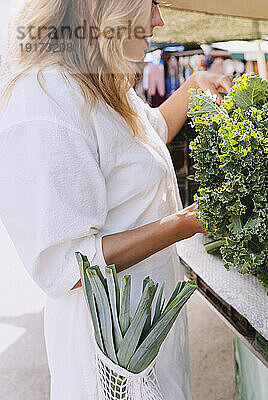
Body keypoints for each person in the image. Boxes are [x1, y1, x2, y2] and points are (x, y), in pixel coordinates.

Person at [0, 1, 232, 399]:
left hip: (148, 321)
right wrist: (186, 223)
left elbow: (149, 136)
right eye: (152, 4)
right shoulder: (46, 99)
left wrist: (194, 88)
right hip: (107, 343)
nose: (159, 20)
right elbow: (66, 266)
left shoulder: (101, 81)